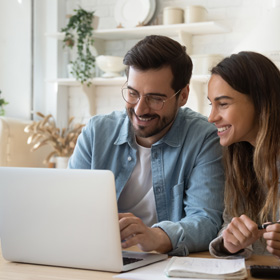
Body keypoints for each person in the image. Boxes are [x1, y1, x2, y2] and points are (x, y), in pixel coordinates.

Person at [69, 35, 225, 256]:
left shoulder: (203, 139)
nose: (140, 109)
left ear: (183, 96)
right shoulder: (96, 132)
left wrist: (156, 236)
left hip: (164, 264)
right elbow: (69, 206)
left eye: (155, 98)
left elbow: (206, 221)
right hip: (98, 256)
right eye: (133, 93)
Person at [208, 51, 280, 259]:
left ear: (260, 102)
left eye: (223, 104)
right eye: (211, 104)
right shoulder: (240, 157)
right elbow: (229, 223)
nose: (211, 117)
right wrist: (230, 243)